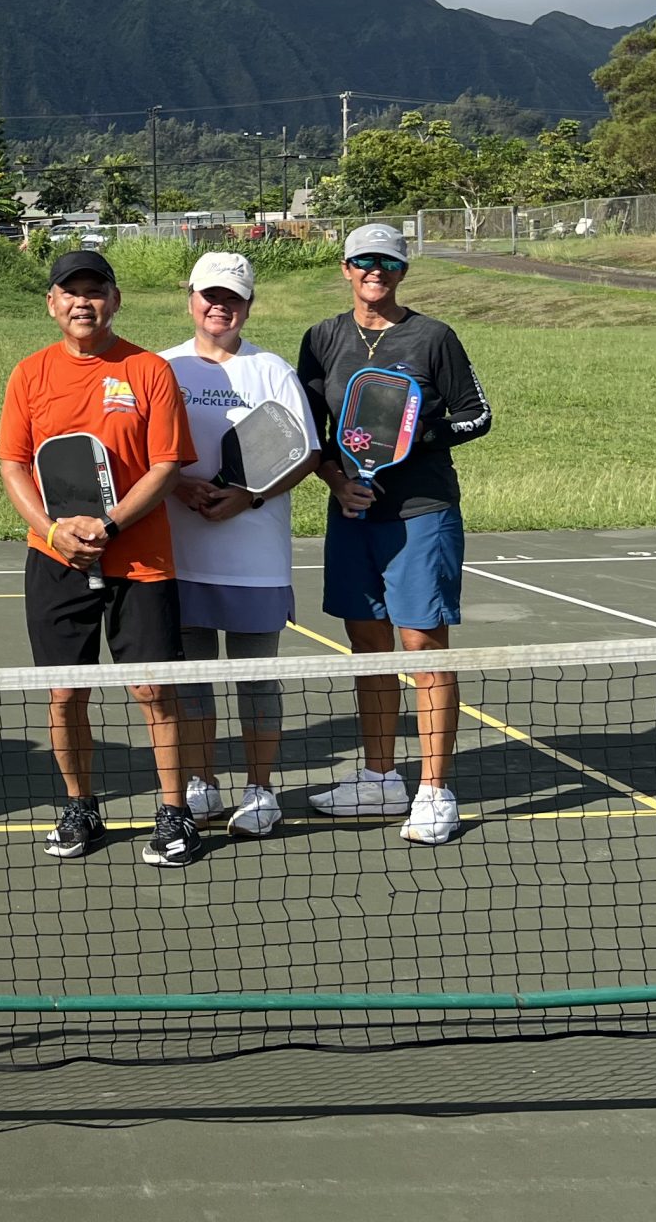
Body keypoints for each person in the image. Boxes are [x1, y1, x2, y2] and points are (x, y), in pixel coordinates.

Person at [0, 248, 199, 867]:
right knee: (65, 694)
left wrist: (109, 522)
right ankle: (80, 806)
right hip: (54, 559)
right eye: (69, 292)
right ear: (52, 303)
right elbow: (12, 464)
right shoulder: (29, 374)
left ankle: (173, 813)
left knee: (154, 692)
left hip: (140, 563)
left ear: (114, 300)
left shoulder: (148, 371)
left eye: (95, 291)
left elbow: (165, 464)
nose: (82, 302)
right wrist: (53, 531)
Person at [296, 222, 495, 846]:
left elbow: (478, 415)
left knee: (423, 646)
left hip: (422, 511)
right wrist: (335, 481)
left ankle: (435, 790)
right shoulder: (323, 338)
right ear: (346, 267)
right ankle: (379, 776)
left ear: (402, 270)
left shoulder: (434, 337)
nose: (374, 270)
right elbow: (312, 434)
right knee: (368, 646)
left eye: (386, 261)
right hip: (353, 515)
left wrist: (417, 436)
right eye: (362, 260)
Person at [160, 252, 319, 841]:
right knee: (193, 678)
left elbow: (304, 453)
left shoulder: (272, 370)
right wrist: (178, 484)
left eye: (232, 298)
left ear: (248, 306)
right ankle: (201, 781)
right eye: (209, 296)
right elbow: (145, 451)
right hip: (180, 554)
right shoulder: (162, 367)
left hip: (255, 557)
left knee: (257, 678)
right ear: (192, 299)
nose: (219, 306)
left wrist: (245, 497)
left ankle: (260, 788)